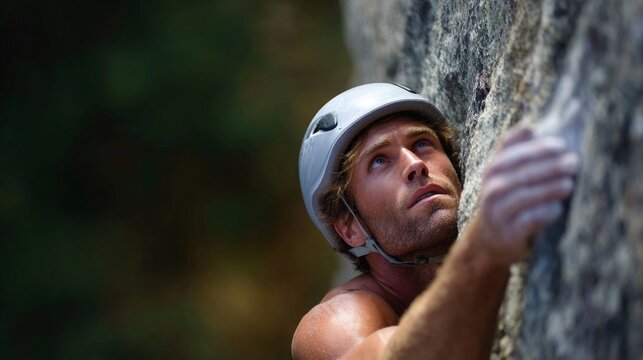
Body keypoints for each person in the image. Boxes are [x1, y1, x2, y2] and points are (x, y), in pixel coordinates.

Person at [292, 83, 579, 359]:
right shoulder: (334, 323)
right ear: (350, 228)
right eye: (379, 161)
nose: (414, 164)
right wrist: (484, 250)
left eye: (421, 143)